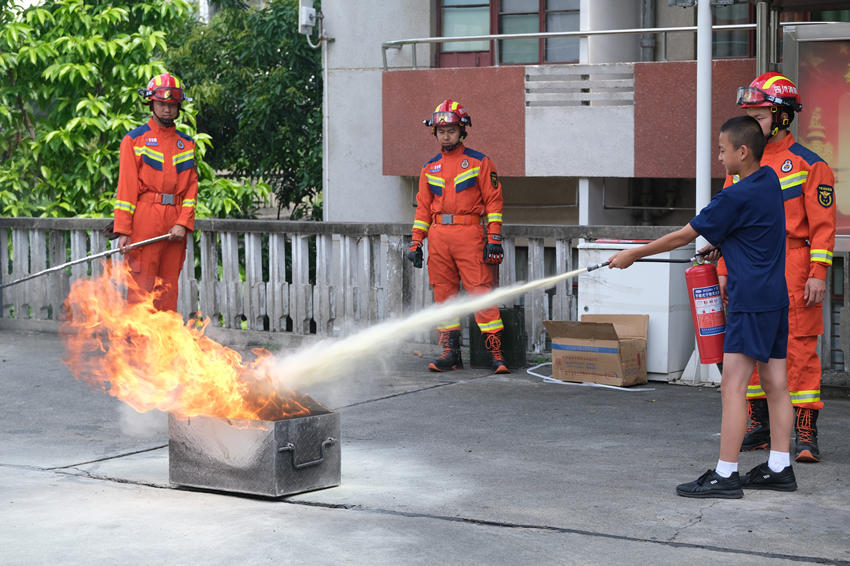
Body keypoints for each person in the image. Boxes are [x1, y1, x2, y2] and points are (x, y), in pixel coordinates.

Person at [609, 116, 796, 498]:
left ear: (742, 152)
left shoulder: (734, 196)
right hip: (775, 298)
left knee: (733, 386)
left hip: (750, 303)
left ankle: (726, 475)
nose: (720, 157)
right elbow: (754, 230)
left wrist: (633, 254)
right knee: (776, 385)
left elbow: (682, 235)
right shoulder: (769, 180)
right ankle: (780, 467)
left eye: (723, 150)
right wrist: (725, 243)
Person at [722, 72, 836, 462]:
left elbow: (823, 225)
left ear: (783, 116)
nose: (752, 123)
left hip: (795, 262)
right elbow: (727, 223)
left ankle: (805, 431)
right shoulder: (740, 161)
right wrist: (722, 271)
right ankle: (759, 423)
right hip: (748, 264)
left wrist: (818, 273)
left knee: (799, 347)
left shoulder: (809, 165)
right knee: (749, 345)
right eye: (749, 115)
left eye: (760, 114)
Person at [406, 99, 509, 374]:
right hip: (439, 237)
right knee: (444, 296)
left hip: (470, 234)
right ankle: (450, 354)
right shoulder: (429, 168)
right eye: (441, 131)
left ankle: (496, 353)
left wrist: (494, 238)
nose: (446, 135)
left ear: (462, 131)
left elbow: (494, 202)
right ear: (435, 133)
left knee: (480, 293)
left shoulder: (480, 162)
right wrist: (416, 241)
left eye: (451, 130)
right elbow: (423, 208)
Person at [112, 72, 198, 312]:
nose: (167, 110)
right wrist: (123, 231)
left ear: (179, 106)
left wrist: (183, 223)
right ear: (151, 103)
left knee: (168, 290)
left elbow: (192, 188)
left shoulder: (187, 144)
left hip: (175, 221)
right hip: (144, 219)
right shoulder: (134, 140)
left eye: (172, 105)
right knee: (141, 289)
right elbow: (126, 189)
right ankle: (136, 347)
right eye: (162, 104)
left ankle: (165, 348)